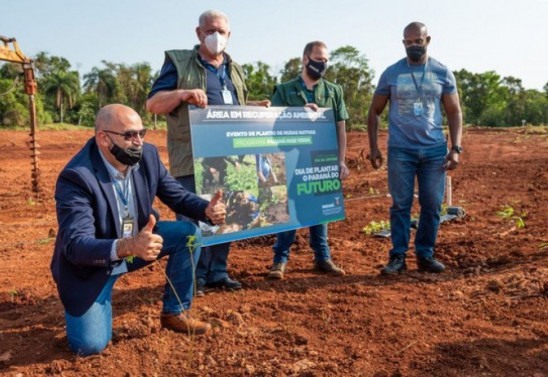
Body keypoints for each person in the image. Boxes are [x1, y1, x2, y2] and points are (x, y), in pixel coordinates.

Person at [51, 104, 227, 356]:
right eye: (129, 135)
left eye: (141, 133)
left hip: (136, 246)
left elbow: (175, 195)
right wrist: (127, 246)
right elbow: (76, 244)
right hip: (93, 264)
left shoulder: (148, 156)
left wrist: (205, 210)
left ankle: (174, 311)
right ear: (103, 138)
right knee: (89, 346)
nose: (138, 142)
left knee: (188, 234)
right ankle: (95, 300)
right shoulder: (77, 177)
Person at [146, 10, 270, 296]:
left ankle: (217, 272)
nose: (217, 36)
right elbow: (153, 104)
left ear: (230, 34)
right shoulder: (179, 63)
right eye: (210, 30)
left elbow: (233, 109)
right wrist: (183, 94)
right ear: (199, 33)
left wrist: (256, 108)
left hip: (231, 155)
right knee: (191, 218)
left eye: (222, 31)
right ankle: (191, 278)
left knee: (226, 214)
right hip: (192, 156)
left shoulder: (234, 68)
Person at [366, 22, 463, 275]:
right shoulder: (391, 73)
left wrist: (456, 148)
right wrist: (374, 147)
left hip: (433, 151)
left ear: (427, 40)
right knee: (401, 204)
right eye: (408, 42)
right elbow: (374, 111)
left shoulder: (442, 72)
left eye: (417, 41)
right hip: (401, 150)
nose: (413, 46)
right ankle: (398, 256)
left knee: (432, 205)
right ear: (403, 43)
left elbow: (454, 112)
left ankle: (425, 254)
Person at [267, 41, 349, 280]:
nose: (322, 64)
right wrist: (297, 114)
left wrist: (340, 161)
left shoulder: (334, 91)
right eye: (317, 59)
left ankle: (322, 258)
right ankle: (279, 260)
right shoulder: (284, 89)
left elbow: (340, 128)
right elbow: (274, 124)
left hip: (321, 160)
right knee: (288, 208)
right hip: (291, 159)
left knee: (321, 208)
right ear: (305, 59)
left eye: (325, 60)